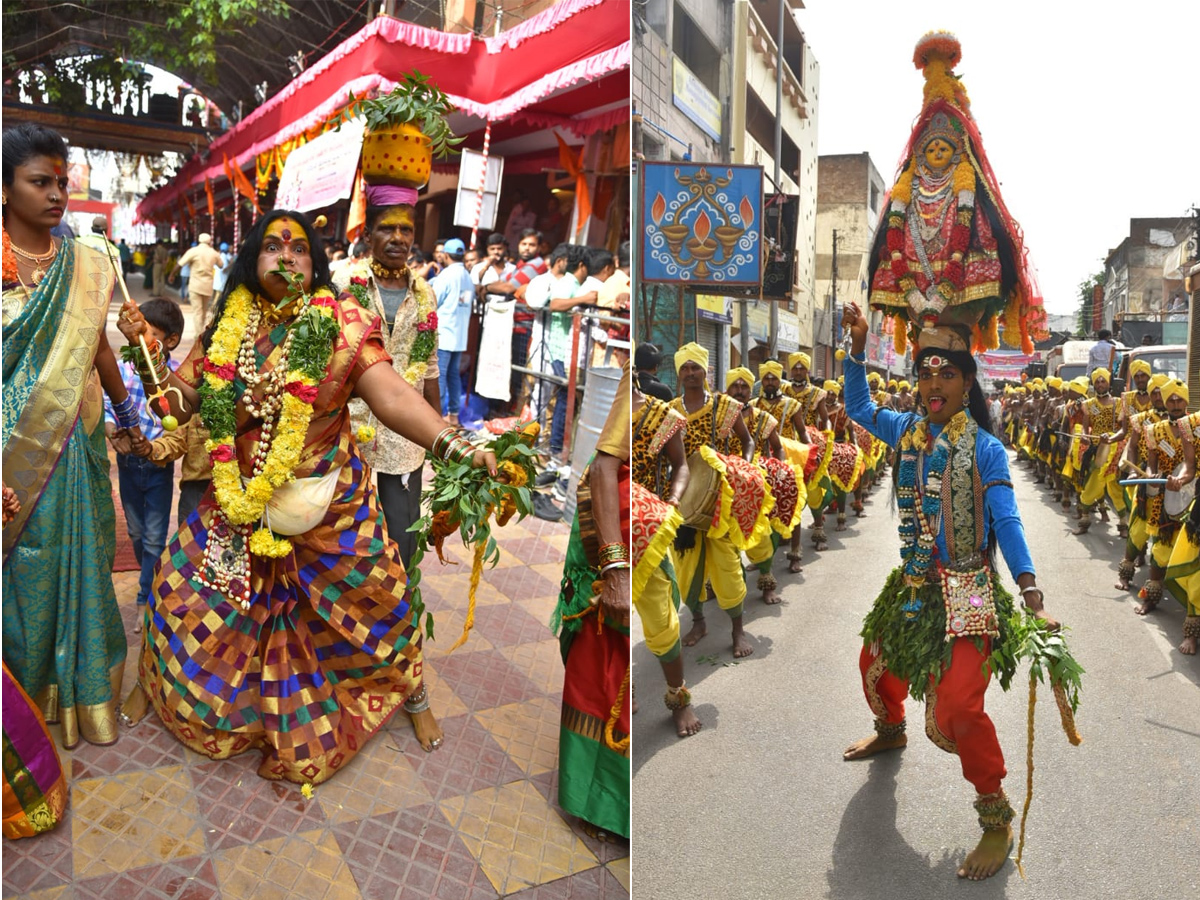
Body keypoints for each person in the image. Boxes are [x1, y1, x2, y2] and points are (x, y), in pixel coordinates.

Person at [114, 210, 499, 780]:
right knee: (179, 594)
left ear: (315, 264)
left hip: (330, 504)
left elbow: (391, 394)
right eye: (272, 246)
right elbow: (174, 407)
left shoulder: (342, 323)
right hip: (238, 502)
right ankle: (168, 686)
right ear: (251, 260)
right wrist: (145, 355)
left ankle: (410, 695)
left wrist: (453, 443)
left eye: (298, 248)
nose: (286, 256)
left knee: (385, 603)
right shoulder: (229, 327)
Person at [840, 302, 1058, 881]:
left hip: (969, 590)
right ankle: (891, 731)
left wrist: (1030, 588)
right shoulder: (907, 430)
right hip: (913, 584)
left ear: (966, 383)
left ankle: (995, 818)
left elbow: (1007, 522)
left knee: (962, 704)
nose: (932, 384)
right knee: (873, 662)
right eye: (925, 373)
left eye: (946, 374)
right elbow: (858, 406)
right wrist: (856, 351)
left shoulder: (984, 448)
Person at [2, 122, 141, 749]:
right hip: (13, 457)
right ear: (5, 190)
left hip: (78, 441)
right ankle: (21, 714)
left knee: (85, 560)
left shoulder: (87, 262)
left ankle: (79, 700)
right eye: (40, 181)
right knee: (23, 581)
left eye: (62, 181)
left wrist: (129, 416)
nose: (57, 193)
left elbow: (97, 351)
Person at [333, 185, 441, 568]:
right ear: (367, 234)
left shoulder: (424, 292)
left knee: (402, 528)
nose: (398, 238)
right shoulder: (342, 283)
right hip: (347, 426)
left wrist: (438, 431)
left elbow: (428, 366)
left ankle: (400, 607)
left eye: (406, 230)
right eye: (387, 229)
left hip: (405, 431)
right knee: (344, 527)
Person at [552, 363, 631, 842]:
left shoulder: (665, 418)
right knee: (597, 669)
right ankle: (593, 802)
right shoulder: (631, 390)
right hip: (610, 549)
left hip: (640, 531)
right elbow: (603, 467)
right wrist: (615, 568)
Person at [670, 343, 758, 659]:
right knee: (686, 570)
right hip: (683, 501)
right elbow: (657, 456)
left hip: (721, 498)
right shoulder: (669, 411)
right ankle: (698, 621)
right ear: (679, 374)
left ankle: (737, 630)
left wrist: (740, 469)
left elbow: (747, 442)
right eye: (685, 368)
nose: (691, 373)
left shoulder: (726, 406)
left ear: (706, 371)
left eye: (696, 367)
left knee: (728, 569)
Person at [103, 298, 184, 612]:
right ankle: (148, 582)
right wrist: (113, 431)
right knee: (136, 533)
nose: (138, 340)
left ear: (171, 341)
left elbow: (181, 422)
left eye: (147, 334)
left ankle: (145, 598)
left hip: (158, 466)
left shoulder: (174, 378)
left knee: (154, 536)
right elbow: (109, 406)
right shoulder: (124, 369)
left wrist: (155, 448)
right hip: (127, 465)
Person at [629, 378, 699, 736]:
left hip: (646, 528)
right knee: (602, 618)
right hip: (599, 521)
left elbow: (680, 466)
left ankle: (679, 699)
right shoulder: (603, 405)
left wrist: (672, 499)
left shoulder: (661, 416)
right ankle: (624, 689)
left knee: (660, 621)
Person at [430, 237, 474, 425]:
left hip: (445, 333)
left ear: (446, 255)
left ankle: (437, 417)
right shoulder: (467, 277)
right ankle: (453, 415)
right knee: (453, 375)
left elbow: (432, 301)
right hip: (459, 335)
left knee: (439, 374)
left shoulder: (446, 276)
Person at [175, 233, 224, 337]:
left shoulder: (193, 251)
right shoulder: (214, 253)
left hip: (195, 286)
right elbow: (221, 265)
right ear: (210, 241)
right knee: (204, 311)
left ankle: (198, 335)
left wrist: (171, 275)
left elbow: (180, 264)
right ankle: (201, 332)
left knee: (197, 311)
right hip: (207, 286)